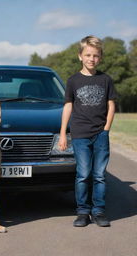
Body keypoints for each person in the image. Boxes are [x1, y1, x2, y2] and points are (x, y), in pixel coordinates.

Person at [59, 35, 117, 227]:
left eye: (96, 56)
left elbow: (111, 105)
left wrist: (106, 129)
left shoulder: (105, 79)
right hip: (80, 135)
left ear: (100, 57)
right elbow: (68, 106)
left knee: (99, 175)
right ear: (80, 56)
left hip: (100, 134)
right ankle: (83, 212)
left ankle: (98, 211)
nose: (92, 59)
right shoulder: (73, 80)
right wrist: (62, 134)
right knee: (83, 173)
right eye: (88, 55)